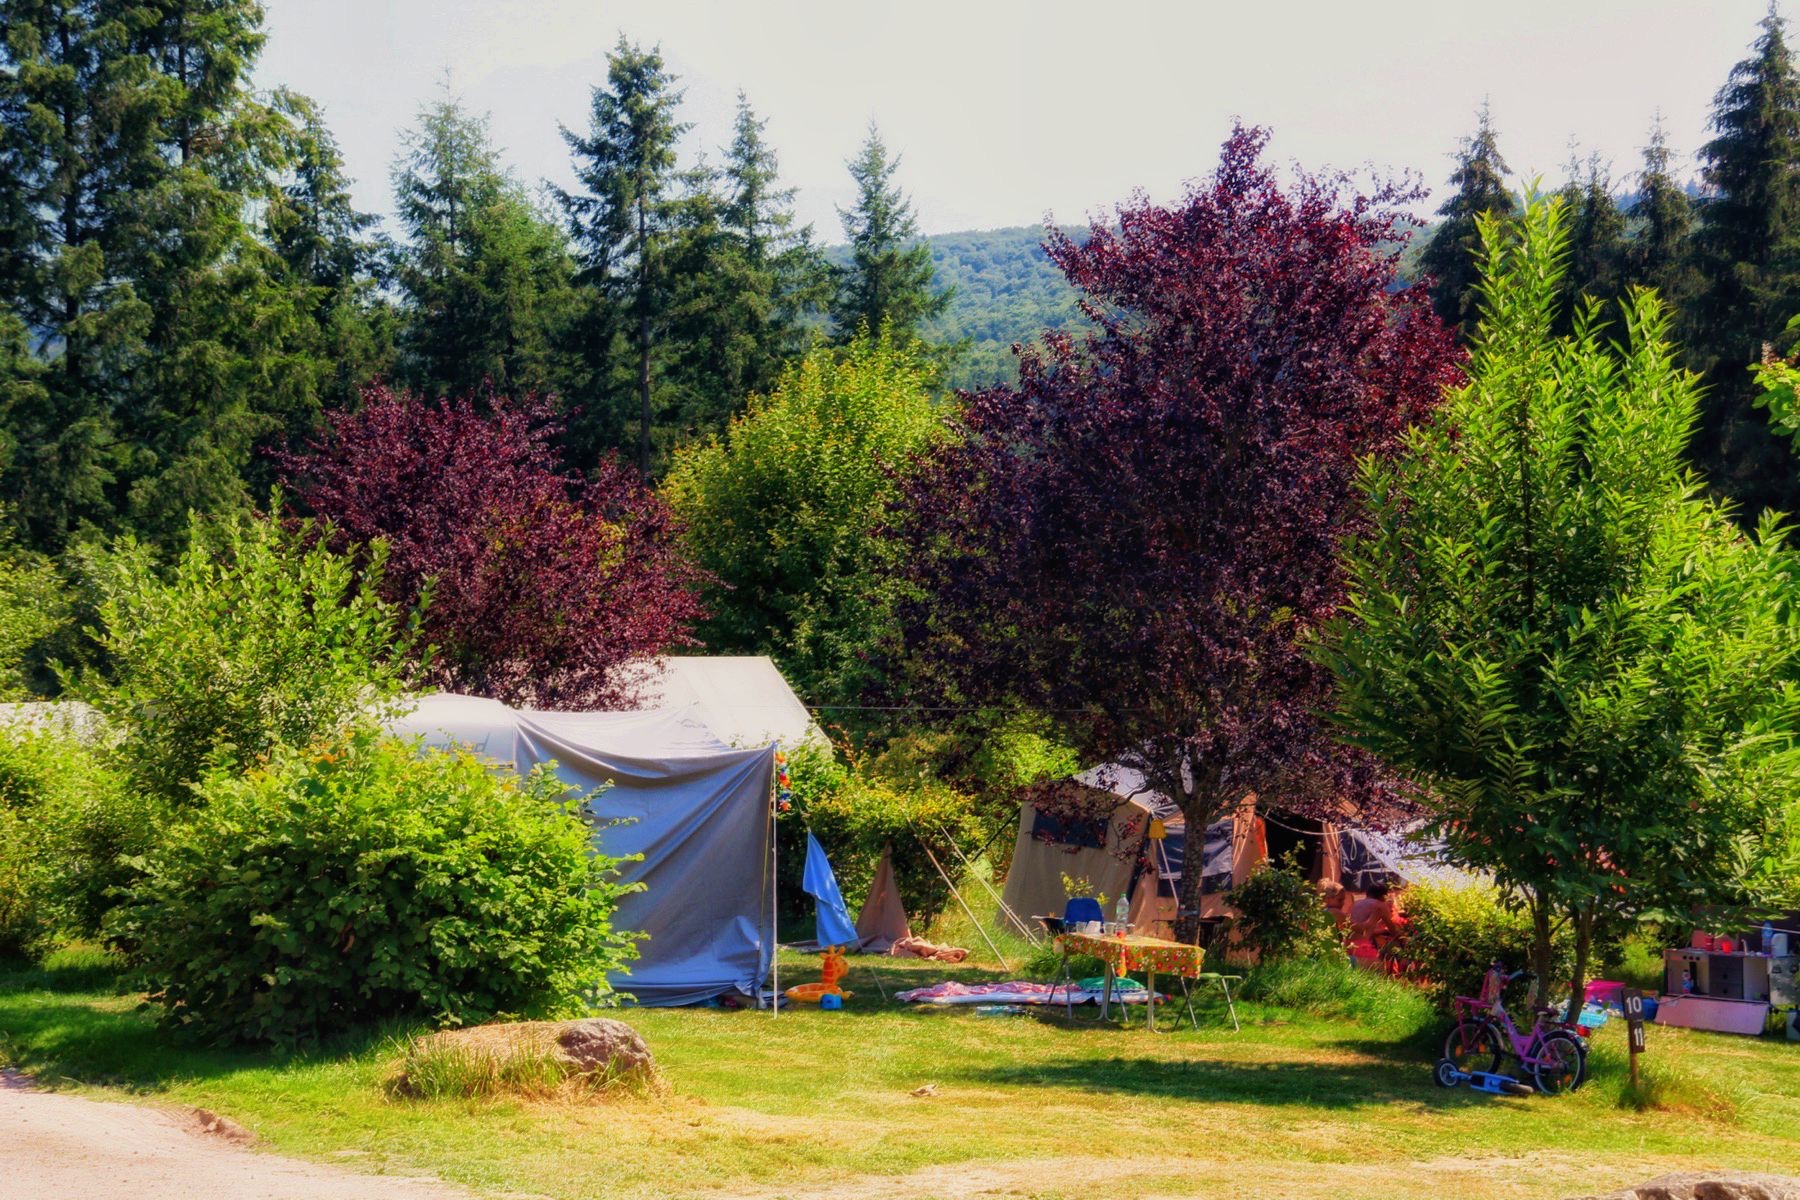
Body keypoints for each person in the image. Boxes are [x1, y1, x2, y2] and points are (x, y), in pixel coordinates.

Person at [1348, 882, 1401, 947]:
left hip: (1348, 943)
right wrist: (1404, 941)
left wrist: (1383, 931)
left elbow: (1361, 928)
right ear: (1383, 896)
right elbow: (1392, 929)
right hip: (1362, 945)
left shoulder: (1355, 904)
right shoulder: (1379, 905)